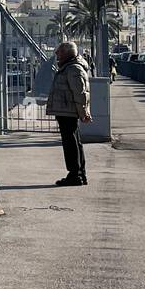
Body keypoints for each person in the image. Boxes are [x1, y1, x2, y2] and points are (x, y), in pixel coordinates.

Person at [45, 40, 92, 186]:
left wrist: (84, 112)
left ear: (66, 53)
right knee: (74, 142)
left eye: (59, 51)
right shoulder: (69, 67)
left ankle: (75, 175)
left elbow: (80, 93)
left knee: (71, 143)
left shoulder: (73, 69)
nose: (56, 54)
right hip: (67, 111)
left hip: (68, 111)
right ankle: (79, 174)